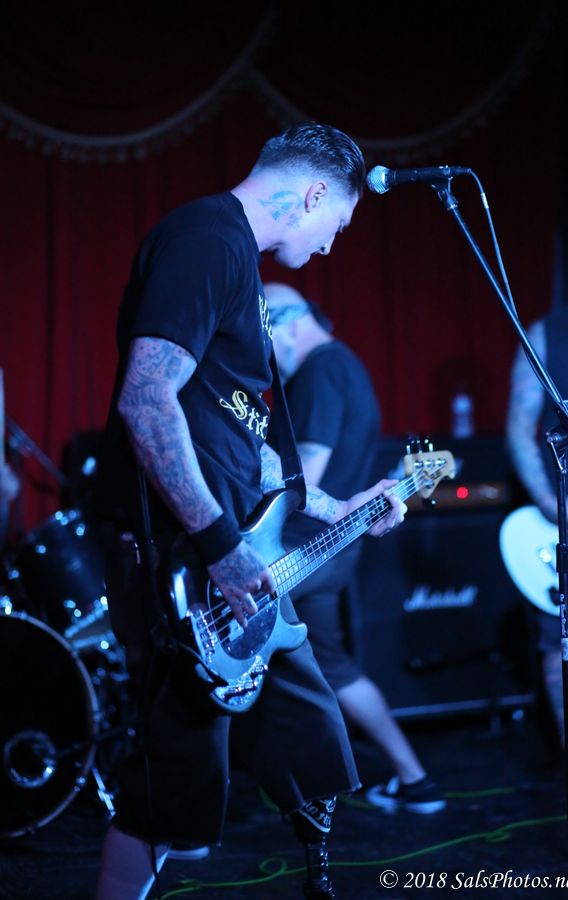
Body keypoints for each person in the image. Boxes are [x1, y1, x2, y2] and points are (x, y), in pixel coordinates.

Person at [93, 122, 406, 900]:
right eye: (338, 223)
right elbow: (146, 398)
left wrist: (339, 505)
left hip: (236, 556)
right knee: (176, 782)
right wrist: (220, 547)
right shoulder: (208, 239)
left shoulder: (236, 262)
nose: (331, 244)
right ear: (314, 193)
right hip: (185, 559)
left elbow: (248, 444)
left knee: (313, 739)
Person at [265, 282, 445, 814]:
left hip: (291, 554)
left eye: (261, 330)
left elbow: (304, 477)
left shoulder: (319, 371)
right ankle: (415, 780)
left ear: (288, 322)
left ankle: (201, 807)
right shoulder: (348, 366)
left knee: (222, 656)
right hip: (334, 554)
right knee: (334, 667)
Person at [506, 221, 568, 748]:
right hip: (565, 520)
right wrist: (548, 503)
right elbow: (519, 428)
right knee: (560, 644)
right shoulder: (546, 334)